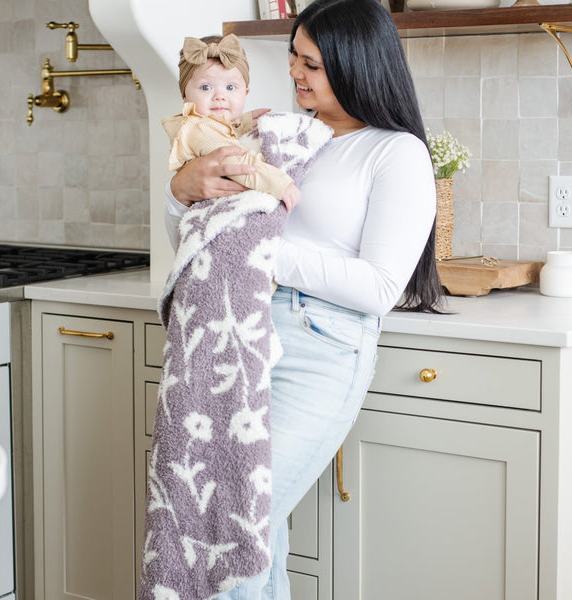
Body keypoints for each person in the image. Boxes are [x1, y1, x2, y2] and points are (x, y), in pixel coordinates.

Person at [162, 0, 443, 597]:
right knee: (254, 548)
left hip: (321, 349)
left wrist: (260, 247)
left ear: (356, 64)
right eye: (293, 55)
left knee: (233, 534)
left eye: (311, 62)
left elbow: (379, 287)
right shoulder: (278, 136)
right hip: (234, 336)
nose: (294, 71)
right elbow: (201, 238)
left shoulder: (394, 152)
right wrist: (180, 191)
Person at [161, 34, 300, 215]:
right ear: (185, 96)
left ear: (246, 92)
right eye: (205, 87)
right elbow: (238, 161)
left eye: (230, 87)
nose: (220, 96)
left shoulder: (206, 126)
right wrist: (281, 184)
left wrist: (243, 123)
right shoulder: (199, 128)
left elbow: (221, 132)